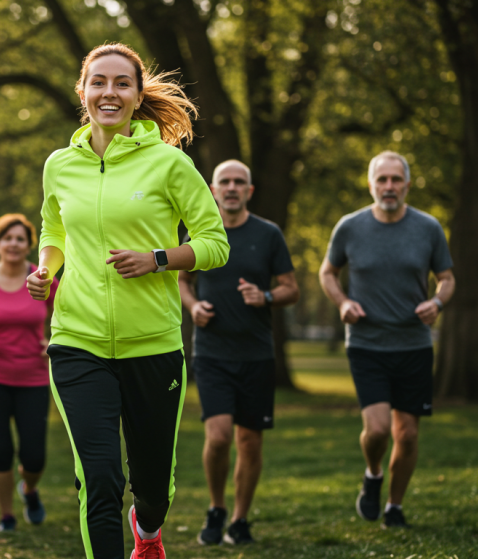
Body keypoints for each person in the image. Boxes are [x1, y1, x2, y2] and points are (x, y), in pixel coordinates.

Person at [27, 43, 230, 559]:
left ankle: (150, 529)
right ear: (83, 92)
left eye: (122, 83)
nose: (109, 93)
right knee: (98, 480)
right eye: (99, 82)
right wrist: (47, 269)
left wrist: (157, 258)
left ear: (138, 96)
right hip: (77, 342)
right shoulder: (59, 165)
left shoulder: (169, 165)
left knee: (153, 486)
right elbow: (54, 228)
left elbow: (215, 244)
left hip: (152, 344)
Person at [318, 151, 455, 529]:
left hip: (413, 344)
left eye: (396, 180)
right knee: (378, 429)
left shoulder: (428, 228)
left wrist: (437, 302)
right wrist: (343, 302)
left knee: (407, 434)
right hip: (366, 344)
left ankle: (394, 507)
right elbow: (327, 272)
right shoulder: (350, 227)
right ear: (371, 184)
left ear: (407, 185)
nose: (389, 187)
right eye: (382, 180)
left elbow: (446, 277)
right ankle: (373, 473)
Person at [178, 159, 300, 545]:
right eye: (224, 182)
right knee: (218, 438)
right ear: (212, 191)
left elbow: (291, 289)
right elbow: (182, 279)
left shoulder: (268, 234)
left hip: (256, 355)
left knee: (250, 440)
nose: (231, 188)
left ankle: (240, 519)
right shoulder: (199, 230)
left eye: (239, 183)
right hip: (212, 354)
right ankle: (216, 508)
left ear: (249, 191)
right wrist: (193, 306)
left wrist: (264, 296)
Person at [0, 213, 58, 533]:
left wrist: (53, 340)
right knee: (1, 450)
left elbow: (68, 315)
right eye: (8, 238)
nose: (14, 244)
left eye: (20, 239)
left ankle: (29, 489)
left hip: (33, 376)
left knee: (34, 456)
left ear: (29, 244)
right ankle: (6, 515)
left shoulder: (42, 278)